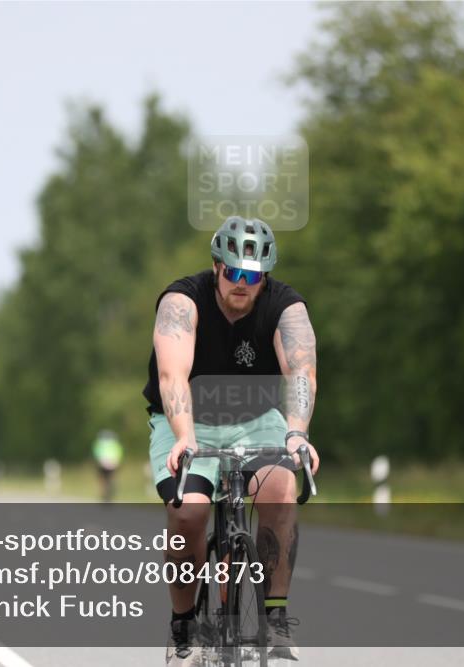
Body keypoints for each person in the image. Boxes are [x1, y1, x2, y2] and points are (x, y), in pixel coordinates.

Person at [142, 216, 320, 665]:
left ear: (266, 275)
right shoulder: (182, 301)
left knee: (280, 490)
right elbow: (172, 375)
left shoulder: (285, 307)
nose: (243, 283)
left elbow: (301, 373)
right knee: (189, 513)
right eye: (234, 272)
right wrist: (184, 437)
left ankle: (276, 621)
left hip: (256, 419)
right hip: (187, 419)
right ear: (217, 265)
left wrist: (297, 432)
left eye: (254, 275)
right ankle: (183, 626)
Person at [92, 429, 124, 502]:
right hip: (113, 463)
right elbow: (120, 452)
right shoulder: (115, 443)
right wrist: (118, 461)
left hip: (102, 463)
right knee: (111, 478)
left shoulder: (100, 443)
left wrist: (97, 460)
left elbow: (96, 452)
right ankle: (111, 488)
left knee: (102, 478)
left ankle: (104, 493)